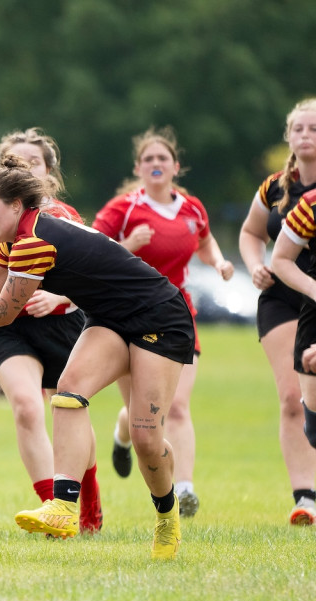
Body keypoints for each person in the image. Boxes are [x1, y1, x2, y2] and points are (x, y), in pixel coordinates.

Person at [0, 155, 194, 559]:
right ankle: (64, 507)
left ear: (16, 206)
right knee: (68, 391)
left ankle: (167, 518)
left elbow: (1, 312)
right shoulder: (15, 240)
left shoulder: (33, 243)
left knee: (145, 439)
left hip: (159, 316)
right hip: (112, 319)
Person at [0, 128, 101, 531]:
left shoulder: (62, 219)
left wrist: (60, 299)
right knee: (27, 406)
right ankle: (53, 508)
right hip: (5, 326)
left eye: (33, 162)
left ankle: (90, 503)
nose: (25, 168)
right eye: (14, 162)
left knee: (69, 409)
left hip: (62, 326)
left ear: (49, 172)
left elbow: (90, 277)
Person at [94, 127, 234, 517]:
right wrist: (129, 246)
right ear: (139, 168)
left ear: (176, 166)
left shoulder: (192, 208)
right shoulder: (124, 208)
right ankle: (122, 437)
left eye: (163, 159)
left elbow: (205, 242)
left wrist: (220, 263)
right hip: (128, 315)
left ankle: (184, 488)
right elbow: (92, 250)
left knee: (176, 407)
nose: (156, 164)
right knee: (142, 414)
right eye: (149, 159)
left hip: (176, 315)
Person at [240, 99, 316, 525]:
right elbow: (251, 233)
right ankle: (305, 499)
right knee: (293, 397)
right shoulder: (275, 187)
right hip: (282, 298)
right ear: (289, 136)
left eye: (315, 129)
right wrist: (255, 267)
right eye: (299, 129)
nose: (306, 135)